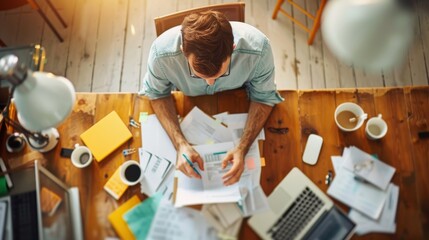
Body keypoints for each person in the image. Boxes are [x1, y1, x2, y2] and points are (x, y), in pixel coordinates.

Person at [140, 10, 283, 185]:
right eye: (199, 75)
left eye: (219, 74)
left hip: (237, 98)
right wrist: (180, 145)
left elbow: (264, 97)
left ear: (233, 48)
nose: (209, 83)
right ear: (183, 51)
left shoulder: (259, 51)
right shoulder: (161, 55)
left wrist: (242, 148)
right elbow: (156, 94)